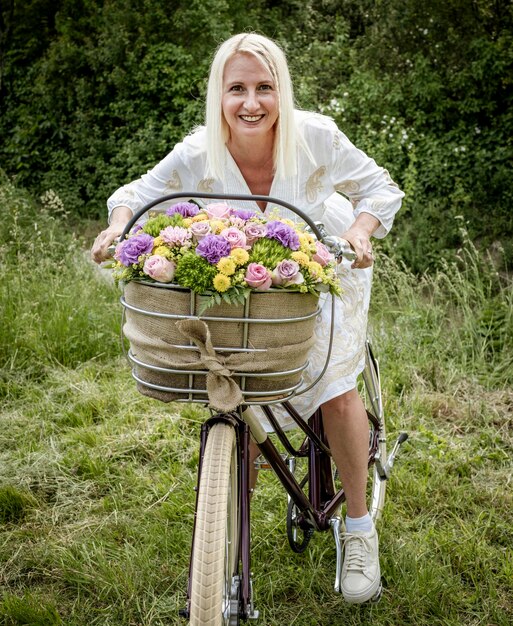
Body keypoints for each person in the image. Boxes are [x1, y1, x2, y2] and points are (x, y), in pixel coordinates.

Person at [91, 33, 404, 604]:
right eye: (237, 88)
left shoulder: (315, 137)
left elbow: (378, 188)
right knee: (244, 389)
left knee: (335, 389)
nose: (251, 102)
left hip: (323, 270)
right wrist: (118, 227)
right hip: (247, 289)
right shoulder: (198, 149)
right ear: (219, 95)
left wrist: (359, 232)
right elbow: (137, 193)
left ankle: (358, 527)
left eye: (264, 87)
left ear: (282, 90)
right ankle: (224, 528)